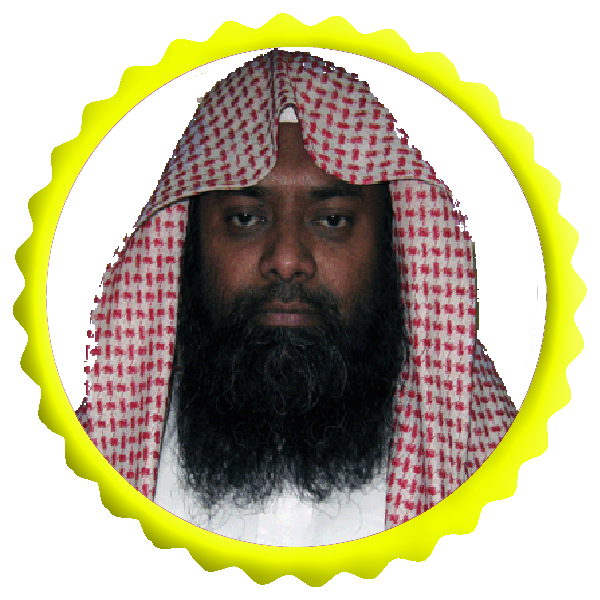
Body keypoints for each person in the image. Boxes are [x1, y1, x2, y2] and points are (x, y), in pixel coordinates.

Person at [76, 49, 517, 546]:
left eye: (332, 220)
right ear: (189, 244)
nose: (286, 260)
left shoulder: (495, 475)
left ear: (392, 247)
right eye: (245, 218)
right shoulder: (96, 465)